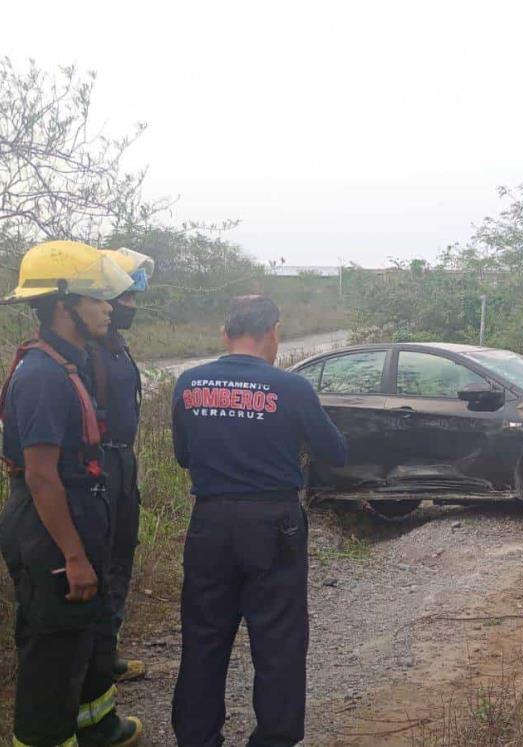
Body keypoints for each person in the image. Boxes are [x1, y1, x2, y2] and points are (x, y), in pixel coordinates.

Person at [170, 295, 347, 747]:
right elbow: (336, 452)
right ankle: (273, 738)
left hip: (209, 523)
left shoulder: (189, 384)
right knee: (279, 643)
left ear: (224, 334)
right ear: (272, 332)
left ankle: (196, 738)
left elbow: (184, 456)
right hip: (273, 524)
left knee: (204, 638)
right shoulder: (291, 388)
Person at [0, 240, 144, 747]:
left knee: (81, 636)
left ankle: (94, 726)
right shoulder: (41, 375)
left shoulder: (72, 361)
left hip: (74, 522)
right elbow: (41, 475)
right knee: (52, 651)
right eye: (95, 298)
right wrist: (74, 555)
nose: (109, 308)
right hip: (49, 534)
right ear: (64, 305)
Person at [88, 248, 155, 684]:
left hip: (122, 462)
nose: (131, 307)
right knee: (100, 560)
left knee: (120, 556)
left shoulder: (116, 345)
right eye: (126, 298)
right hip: (100, 464)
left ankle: (106, 653)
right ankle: (92, 661)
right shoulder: (85, 349)